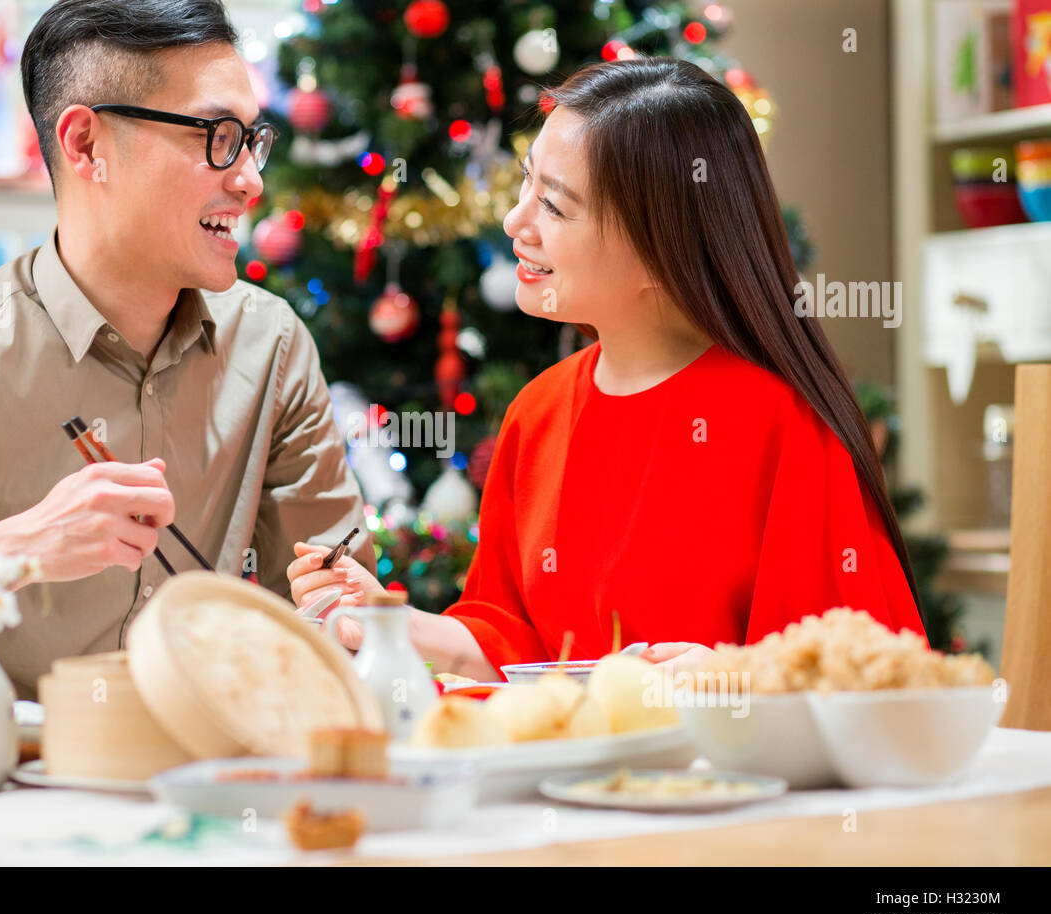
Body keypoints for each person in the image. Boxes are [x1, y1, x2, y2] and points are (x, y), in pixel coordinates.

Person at [0, 0, 371, 730]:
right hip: (4, 810)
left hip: (213, 793)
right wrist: (3, 558)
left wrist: (354, 616)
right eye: (217, 137)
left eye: (254, 141)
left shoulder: (270, 346)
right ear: (85, 145)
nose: (249, 181)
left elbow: (330, 605)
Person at [288, 58, 924, 682]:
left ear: (660, 246)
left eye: (555, 207)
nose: (515, 222)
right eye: (525, 185)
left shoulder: (784, 426)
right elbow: (516, 642)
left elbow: (869, 678)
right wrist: (390, 619)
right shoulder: (536, 413)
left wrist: (741, 678)